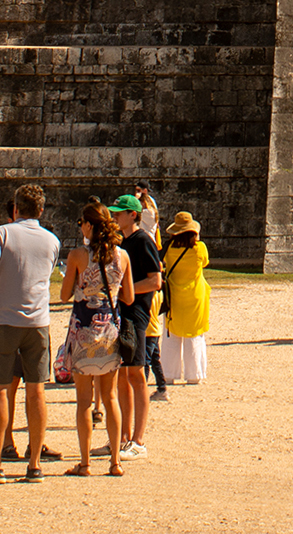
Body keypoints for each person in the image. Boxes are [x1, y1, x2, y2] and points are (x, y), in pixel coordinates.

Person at [0, 184, 60, 480]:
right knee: (37, 391)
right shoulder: (52, 240)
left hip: (4, 323)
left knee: (0, 392)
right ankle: (34, 464)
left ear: (16, 209)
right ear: (41, 211)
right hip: (38, 323)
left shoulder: (1, 233)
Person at [56, 199, 132, 477]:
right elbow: (130, 295)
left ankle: (85, 462)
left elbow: (65, 295)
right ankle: (115, 461)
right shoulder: (122, 256)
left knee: (84, 401)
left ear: (89, 225)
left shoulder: (77, 256)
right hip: (110, 330)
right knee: (110, 397)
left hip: (83, 330)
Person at [109, 194, 164, 458]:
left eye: (119, 213)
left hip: (137, 314)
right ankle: (122, 437)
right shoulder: (121, 241)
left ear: (133, 215)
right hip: (121, 313)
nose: (115, 216)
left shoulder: (142, 240)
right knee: (122, 374)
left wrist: (123, 291)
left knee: (136, 375)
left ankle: (138, 440)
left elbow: (155, 281)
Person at [159, 212, 210, 385]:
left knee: (171, 335)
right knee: (194, 335)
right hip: (195, 294)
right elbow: (204, 262)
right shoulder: (199, 248)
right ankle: (194, 374)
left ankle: (168, 373)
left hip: (174, 295)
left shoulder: (170, 248)